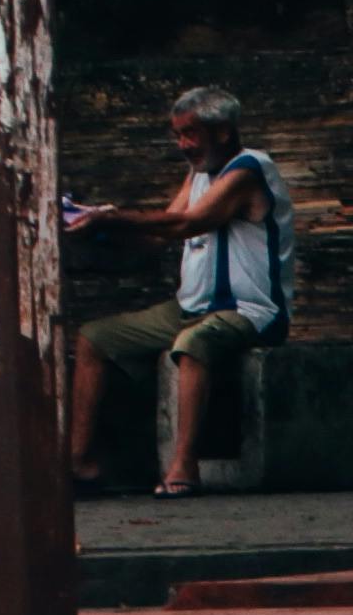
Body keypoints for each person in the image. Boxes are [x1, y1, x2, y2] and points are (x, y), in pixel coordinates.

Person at [64, 86, 296, 497]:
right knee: (93, 338)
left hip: (250, 312)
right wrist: (91, 226)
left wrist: (115, 219)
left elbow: (187, 225)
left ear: (222, 131)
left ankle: (184, 466)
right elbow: (162, 231)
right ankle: (78, 463)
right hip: (191, 306)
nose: (183, 145)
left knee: (193, 343)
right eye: (178, 135)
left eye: (190, 134)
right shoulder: (199, 175)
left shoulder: (249, 170)